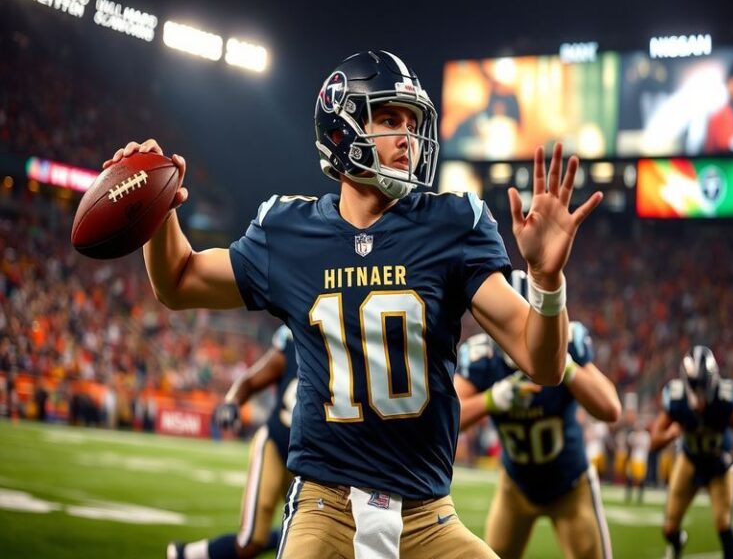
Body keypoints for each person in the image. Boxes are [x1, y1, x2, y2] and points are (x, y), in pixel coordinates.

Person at [104, 49, 602, 559]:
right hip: (326, 508)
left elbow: (541, 363)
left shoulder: (453, 225)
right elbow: (179, 281)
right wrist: (154, 211)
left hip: (427, 517)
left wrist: (546, 280)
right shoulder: (289, 230)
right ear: (342, 129)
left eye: (413, 122)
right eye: (390, 119)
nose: (408, 138)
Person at [454, 272, 620, 559]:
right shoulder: (483, 359)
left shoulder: (567, 344)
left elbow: (611, 409)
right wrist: (492, 399)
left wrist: (563, 366)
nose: (517, 329)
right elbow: (449, 417)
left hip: (570, 485)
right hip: (516, 487)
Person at [167, 325, 297, 559]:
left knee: (314, 536)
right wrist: (232, 401)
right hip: (276, 445)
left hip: (311, 458)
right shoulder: (293, 339)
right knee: (251, 542)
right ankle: (187, 555)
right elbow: (249, 381)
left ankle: (185, 554)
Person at [650, 346, 733, 559]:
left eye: (703, 385)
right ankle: (678, 543)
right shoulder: (677, 398)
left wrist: (732, 456)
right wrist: (671, 434)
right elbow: (654, 441)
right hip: (689, 461)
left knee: (724, 526)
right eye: (695, 386)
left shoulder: (725, 398)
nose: (699, 393)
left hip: (719, 464)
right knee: (669, 528)